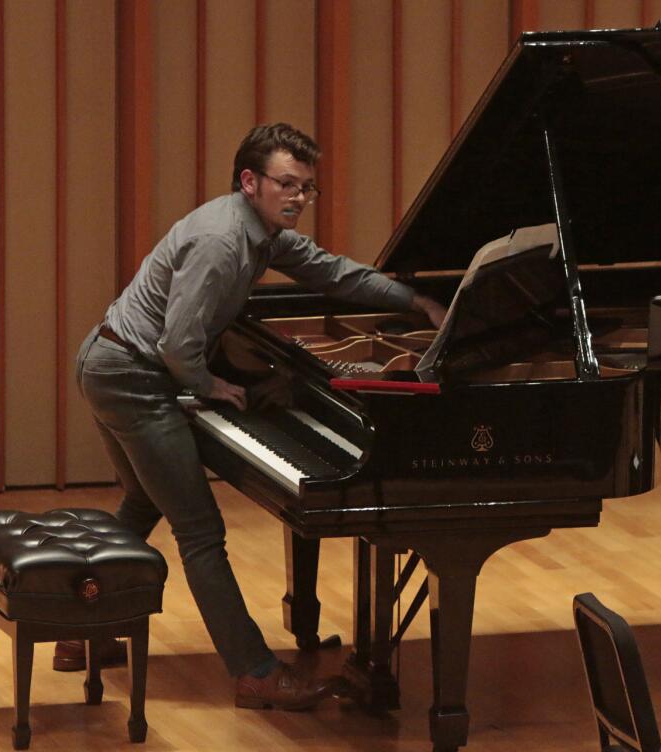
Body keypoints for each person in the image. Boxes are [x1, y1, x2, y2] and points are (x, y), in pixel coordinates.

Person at [67, 123, 446, 710]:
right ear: (250, 182)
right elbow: (176, 346)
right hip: (132, 376)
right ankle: (256, 673)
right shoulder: (224, 242)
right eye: (286, 184)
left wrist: (412, 299)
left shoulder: (261, 232)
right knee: (200, 531)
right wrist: (210, 385)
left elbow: (335, 273)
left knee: (145, 500)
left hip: (111, 362)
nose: (298, 197)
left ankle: (75, 628)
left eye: (307, 187)